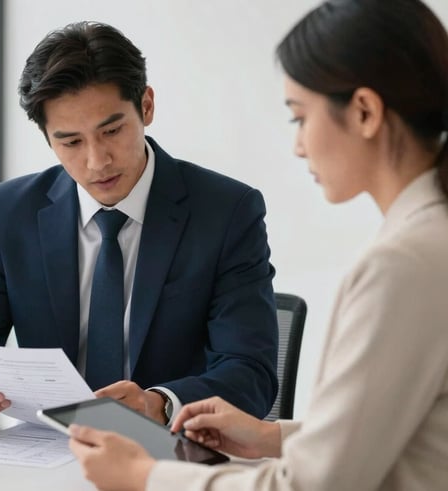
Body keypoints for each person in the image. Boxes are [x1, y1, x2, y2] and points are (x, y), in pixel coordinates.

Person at [68, 0, 448, 489]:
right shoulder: (427, 243)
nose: (299, 145)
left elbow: (308, 486)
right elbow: (418, 434)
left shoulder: (403, 264)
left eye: (299, 117)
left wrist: (146, 477)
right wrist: (273, 436)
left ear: (364, 111)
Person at [0, 21, 279, 427]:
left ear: (146, 106)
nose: (97, 161)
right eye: (71, 142)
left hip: (168, 461)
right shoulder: (11, 211)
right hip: (46, 455)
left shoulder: (227, 211)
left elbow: (252, 373)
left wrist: (159, 404)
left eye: (112, 130)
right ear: (48, 138)